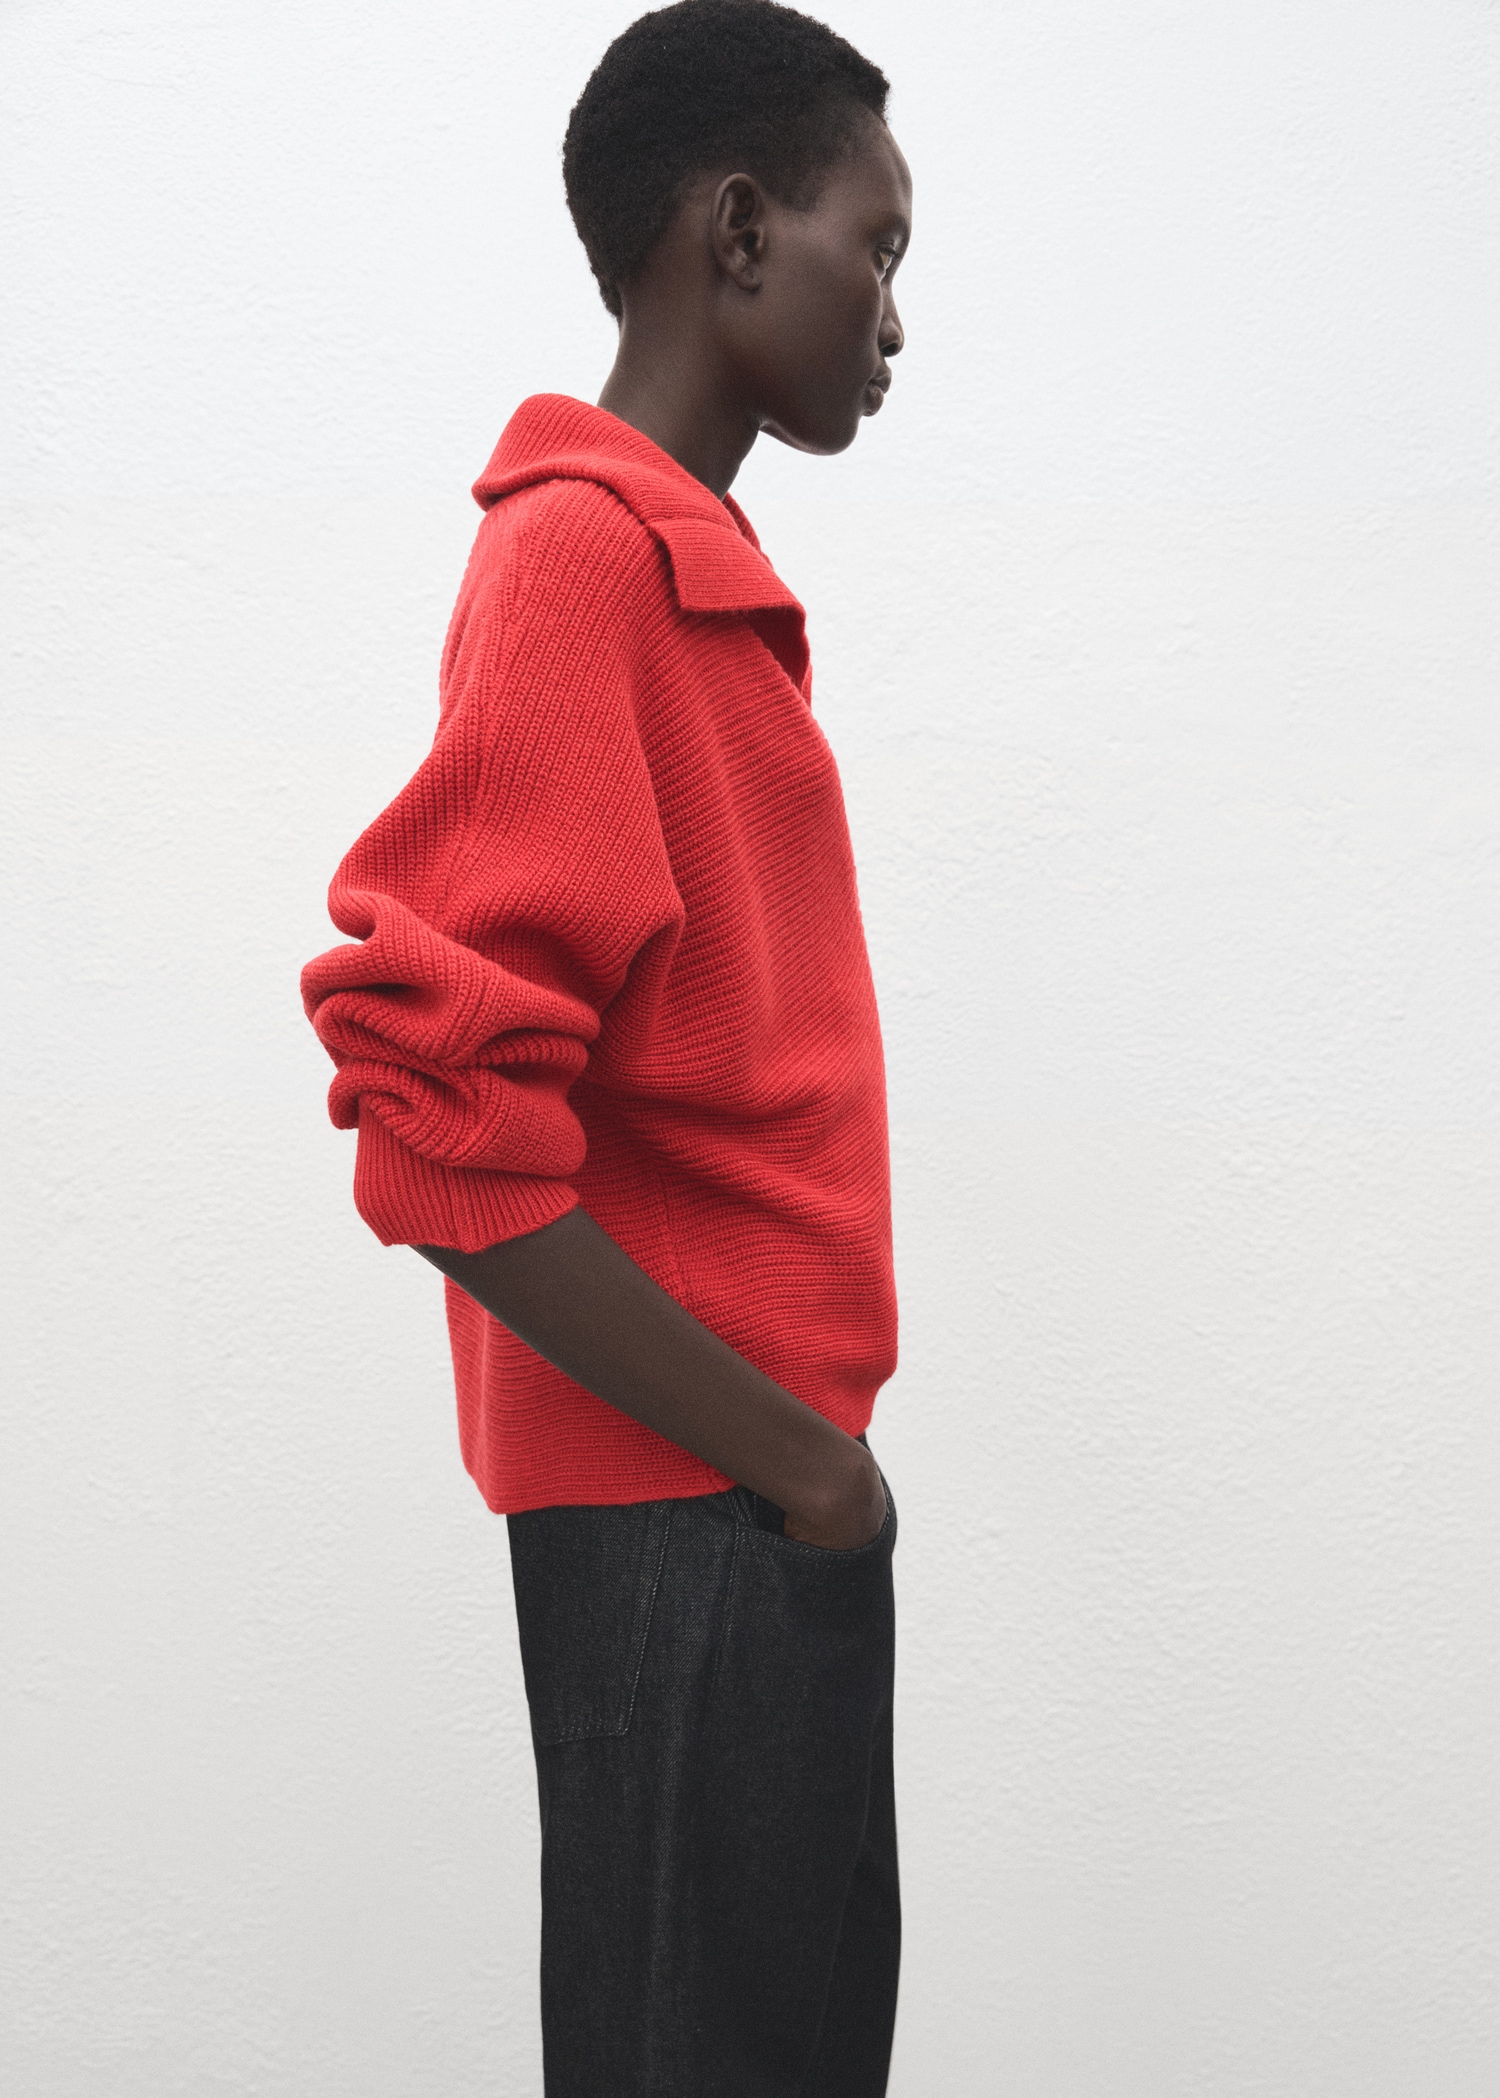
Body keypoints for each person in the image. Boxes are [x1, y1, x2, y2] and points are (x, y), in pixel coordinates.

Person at [300, 2, 912, 2089]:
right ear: (737, 231)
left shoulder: (678, 576)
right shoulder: (582, 559)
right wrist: (801, 1471)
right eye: (874, 245)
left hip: (752, 1508)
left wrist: (815, 1484)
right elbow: (437, 1137)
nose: (895, 316)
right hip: (696, 1517)